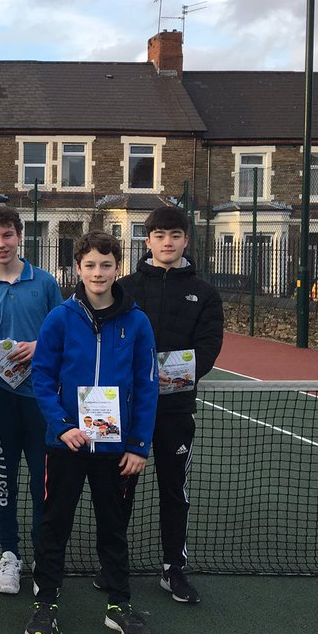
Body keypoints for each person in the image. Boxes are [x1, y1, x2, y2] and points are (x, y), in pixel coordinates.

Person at [26, 231, 157, 634]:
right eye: (90, 265)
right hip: (65, 444)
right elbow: (42, 377)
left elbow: (147, 383)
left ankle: (119, 606)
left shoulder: (137, 321)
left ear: (118, 267)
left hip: (116, 452)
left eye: (106, 264)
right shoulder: (60, 318)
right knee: (54, 526)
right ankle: (46, 603)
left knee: (113, 528)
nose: (98, 272)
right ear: (77, 269)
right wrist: (62, 425)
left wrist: (138, 445)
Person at [118, 206, 223, 604]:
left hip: (176, 411)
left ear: (185, 240)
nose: (167, 242)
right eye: (159, 235)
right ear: (147, 241)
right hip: (127, 411)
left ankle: (172, 569)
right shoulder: (124, 287)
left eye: (174, 235)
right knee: (120, 489)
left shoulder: (205, 293)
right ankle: (114, 565)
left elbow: (208, 348)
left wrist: (173, 377)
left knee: (173, 491)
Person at [0, 205, 63, 595]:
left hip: (43, 400)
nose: (0, 244)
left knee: (43, 483)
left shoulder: (46, 282)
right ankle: (9, 556)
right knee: (3, 481)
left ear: (19, 235)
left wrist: (39, 346)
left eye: (7, 235)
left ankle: (41, 556)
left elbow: (63, 335)